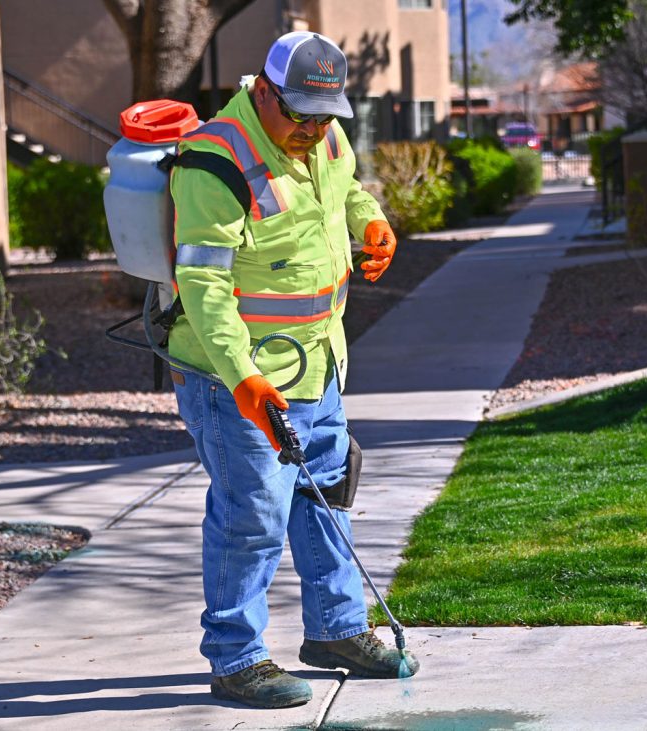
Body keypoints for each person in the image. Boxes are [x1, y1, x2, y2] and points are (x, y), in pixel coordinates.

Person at [166, 31, 419, 709]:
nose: (312, 129)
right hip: (236, 377)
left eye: (325, 115)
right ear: (264, 91)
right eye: (300, 114)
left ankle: (336, 629)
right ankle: (235, 657)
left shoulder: (326, 137)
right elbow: (203, 286)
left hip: (319, 362)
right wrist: (243, 377)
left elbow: (347, 192)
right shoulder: (214, 160)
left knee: (327, 495)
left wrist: (373, 222)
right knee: (251, 513)